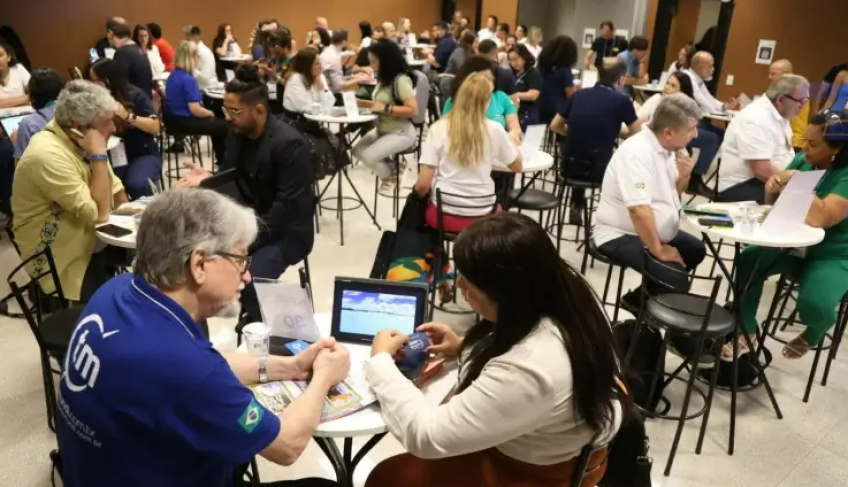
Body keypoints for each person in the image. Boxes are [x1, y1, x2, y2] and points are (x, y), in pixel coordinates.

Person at [57, 187, 348, 487]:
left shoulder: (117, 290)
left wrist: (291, 366)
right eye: (241, 259)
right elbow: (287, 445)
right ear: (199, 264)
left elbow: (209, 364)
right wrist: (324, 377)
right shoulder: (184, 368)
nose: (246, 275)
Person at [363, 212, 625, 487]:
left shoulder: (532, 367)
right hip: (541, 444)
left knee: (388, 478)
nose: (459, 285)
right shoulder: (566, 292)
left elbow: (425, 436)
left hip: (525, 472)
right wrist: (466, 346)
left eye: (468, 280)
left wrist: (380, 361)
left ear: (506, 292)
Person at [175, 65, 315, 326]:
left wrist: (243, 241)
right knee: (191, 267)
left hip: (285, 233)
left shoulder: (290, 145)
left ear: (259, 111)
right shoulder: (237, 134)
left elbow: (286, 208)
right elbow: (232, 176)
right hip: (245, 223)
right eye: (225, 110)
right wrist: (208, 178)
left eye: (235, 111)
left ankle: (257, 329)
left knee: (248, 282)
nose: (228, 117)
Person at [732, 111, 848, 360]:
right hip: (791, 244)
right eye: (804, 139)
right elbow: (773, 204)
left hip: (831, 254)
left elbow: (823, 217)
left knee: (815, 306)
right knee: (747, 262)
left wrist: (796, 181)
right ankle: (747, 329)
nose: (803, 147)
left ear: (836, 149)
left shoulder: (845, 175)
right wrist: (772, 188)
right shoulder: (803, 161)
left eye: (813, 144)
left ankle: (815, 331)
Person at [12, 80, 128, 303]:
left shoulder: (81, 140)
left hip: (88, 235)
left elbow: (116, 191)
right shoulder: (46, 154)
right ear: (79, 126)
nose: (113, 128)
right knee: (111, 306)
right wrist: (98, 155)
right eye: (106, 123)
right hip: (58, 252)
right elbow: (100, 215)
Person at [593, 94, 705, 310]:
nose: (696, 134)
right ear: (669, 132)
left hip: (647, 228)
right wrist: (659, 249)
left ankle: (638, 301)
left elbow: (673, 193)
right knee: (675, 277)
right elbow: (638, 209)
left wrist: (683, 177)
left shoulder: (668, 149)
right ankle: (654, 330)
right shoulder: (638, 153)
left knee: (695, 250)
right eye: (691, 129)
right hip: (619, 233)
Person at [414, 73, 521, 233]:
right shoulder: (495, 129)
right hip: (484, 213)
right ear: (486, 101)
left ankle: (438, 256)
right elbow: (517, 166)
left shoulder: (438, 128)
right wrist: (512, 141)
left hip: (444, 213)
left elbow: (423, 184)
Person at [550, 61, 640, 223]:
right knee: (618, 162)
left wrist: (574, 133)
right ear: (620, 79)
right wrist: (613, 132)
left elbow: (555, 125)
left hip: (568, 167)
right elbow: (636, 134)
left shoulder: (578, 95)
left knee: (582, 148)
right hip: (599, 171)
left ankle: (576, 204)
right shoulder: (622, 100)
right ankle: (613, 216)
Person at [717, 74, 808, 203]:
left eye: (805, 101)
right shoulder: (757, 118)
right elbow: (762, 170)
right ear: (780, 100)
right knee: (802, 205)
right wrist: (794, 190)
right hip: (742, 186)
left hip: (766, 180)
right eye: (800, 101)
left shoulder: (781, 113)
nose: (803, 106)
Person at [89, 58, 162, 199]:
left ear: (109, 80)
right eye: (92, 81)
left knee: (136, 183)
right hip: (112, 154)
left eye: (97, 80)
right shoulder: (95, 100)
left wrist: (128, 117)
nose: (94, 85)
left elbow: (155, 126)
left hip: (142, 153)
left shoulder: (135, 95)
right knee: (104, 183)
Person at [352, 39, 419, 191]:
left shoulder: (401, 80)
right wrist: (365, 103)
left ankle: (392, 173)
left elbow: (414, 110)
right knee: (357, 150)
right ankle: (394, 170)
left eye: (374, 62)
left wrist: (386, 108)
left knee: (369, 156)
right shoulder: (383, 79)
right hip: (382, 129)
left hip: (400, 131)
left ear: (386, 61)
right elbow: (381, 104)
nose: (372, 66)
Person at [637, 71, 719, 196]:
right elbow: (637, 123)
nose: (667, 88)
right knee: (711, 139)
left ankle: (694, 178)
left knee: (715, 135)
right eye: (667, 83)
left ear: (683, 94)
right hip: (654, 147)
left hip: (673, 151)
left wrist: (684, 176)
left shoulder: (686, 111)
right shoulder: (656, 101)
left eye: (673, 86)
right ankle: (695, 180)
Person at [163, 40, 229, 164]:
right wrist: (211, 113)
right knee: (224, 126)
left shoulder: (173, 75)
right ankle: (224, 163)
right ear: (191, 57)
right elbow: (196, 110)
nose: (198, 58)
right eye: (197, 56)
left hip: (172, 119)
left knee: (217, 125)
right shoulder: (188, 79)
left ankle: (221, 161)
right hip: (184, 120)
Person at [444, 56, 522, 144]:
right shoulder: (454, 101)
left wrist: (512, 136)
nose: (488, 84)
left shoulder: (501, 97)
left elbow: (515, 128)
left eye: (491, 80)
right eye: (484, 80)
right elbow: (447, 132)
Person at [12, 68, 65, 161]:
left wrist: (16, 143)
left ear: (32, 95)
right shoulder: (77, 112)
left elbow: (22, 170)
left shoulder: (28, 124)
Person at [684, 51, 740, 119]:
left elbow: (710, 99)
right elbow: (704, 105)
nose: (713, 69)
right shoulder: (687, 78)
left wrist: (724, 106)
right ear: (700, 67)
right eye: (710, 66)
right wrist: (718, 111)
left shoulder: (698, 80)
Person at [769, 59, 809, 151]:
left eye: (773, 74)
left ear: (786, 74)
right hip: (783, 137)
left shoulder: (795, 92)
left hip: (793, 140)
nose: (770, 77)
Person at [537, 35, 577, 124]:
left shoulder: (542, 66)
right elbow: (570, 95)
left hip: (540, 105)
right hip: (558, 108)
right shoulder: (565, 70)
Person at [109, 22, 153, 96]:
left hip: (134, 102)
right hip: (145, 98)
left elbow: (118, 81)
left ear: (111, 33)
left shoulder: (122, 52)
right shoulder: (137, 48)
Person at [283, 48, 329, 114]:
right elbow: (306, 108)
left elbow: (329, 103)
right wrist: (324, 107)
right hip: (296, 121)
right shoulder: (295, 79)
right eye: (317, 64)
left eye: (320, 62)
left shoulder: (319, 76)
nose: (321, 66)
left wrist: (320, 85)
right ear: (306, 66)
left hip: (316, 119)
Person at [508, 44, 542, 130]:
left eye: (516, 59)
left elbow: (533, 95)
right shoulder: (511, 73)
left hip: (528, 114)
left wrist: (514, 95)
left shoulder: (533, 73)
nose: (514, 63)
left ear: (524, 57)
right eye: (511, 60)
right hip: (514, 113)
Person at [321, 30, 357, 94]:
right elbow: (338, 86)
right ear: (343, 42)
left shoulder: (327, 50)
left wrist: (351, 77)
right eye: (348, 41)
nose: (349, 43)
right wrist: (358, 80)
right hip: (331, 95)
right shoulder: (334, 57)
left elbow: (332, 78)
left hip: (326, 91)